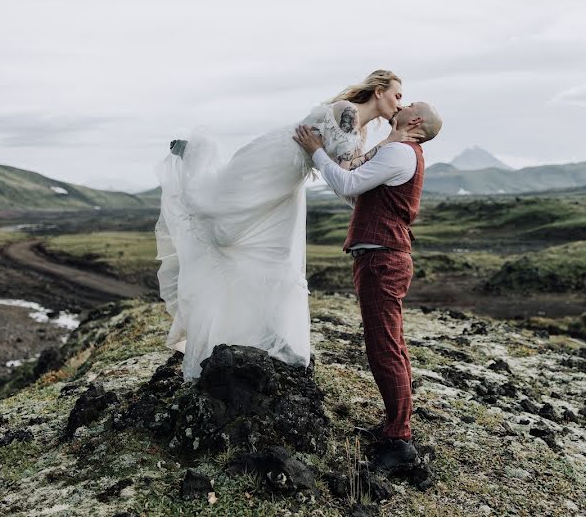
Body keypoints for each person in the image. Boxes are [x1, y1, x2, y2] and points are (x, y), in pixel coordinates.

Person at [154, 70, 422, 381]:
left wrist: (378, 185)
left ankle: (262, 338)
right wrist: (390, 140)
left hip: (287, 187)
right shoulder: (347, 112)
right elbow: (348, 172)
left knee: (267, 255)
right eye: (397, 95)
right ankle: (194, 161)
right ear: (378, 91)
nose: (400, 104)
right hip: (272, 163)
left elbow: (347, 186)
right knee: (218, 218)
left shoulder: (358, 133)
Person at [293, 101, 443, 471]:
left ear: (417, 120)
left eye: (409, 104)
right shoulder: (401, 151)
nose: (403, 104)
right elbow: (356, 191)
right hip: (382, 258)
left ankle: (400, 441)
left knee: (384, 349)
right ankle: (396, 427)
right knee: (390, 347)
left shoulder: (400, 152)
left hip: (382, 260)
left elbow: (347, 182)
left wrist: (316, 153)